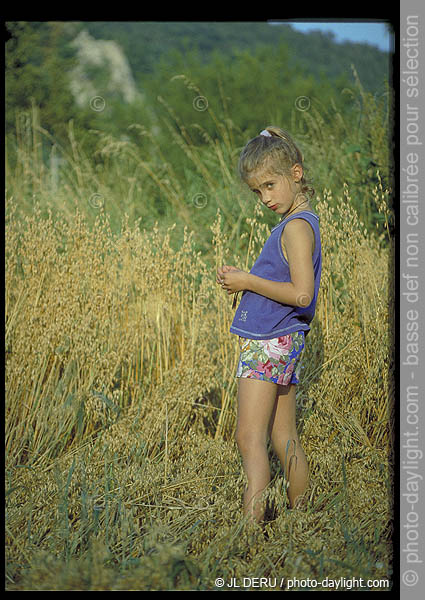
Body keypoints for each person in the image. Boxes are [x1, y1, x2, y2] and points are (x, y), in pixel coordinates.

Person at [216, 126, 322, 524]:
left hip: (269, 341)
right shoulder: (302, 221)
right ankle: (302, 522)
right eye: (257, 191)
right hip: (283, 340)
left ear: (296, 174)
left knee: (248, 437)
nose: (265, 199)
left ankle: (250, 531)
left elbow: (301, 294)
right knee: (283, 436)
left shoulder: (295, 228)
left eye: (270, 186)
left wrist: (246, 280)